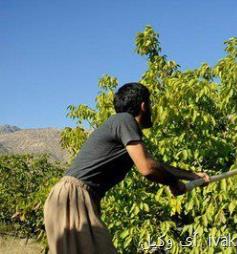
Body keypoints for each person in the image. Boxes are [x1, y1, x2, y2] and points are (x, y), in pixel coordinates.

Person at [43, 82, 210, 254]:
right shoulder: (124, 120)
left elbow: (155, 164)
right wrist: (174, 183)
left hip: (72, 198)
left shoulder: (121, 127)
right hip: (73, 198)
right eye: (150, 103)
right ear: (144, 106)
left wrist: (191, 176)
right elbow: (147, 168)